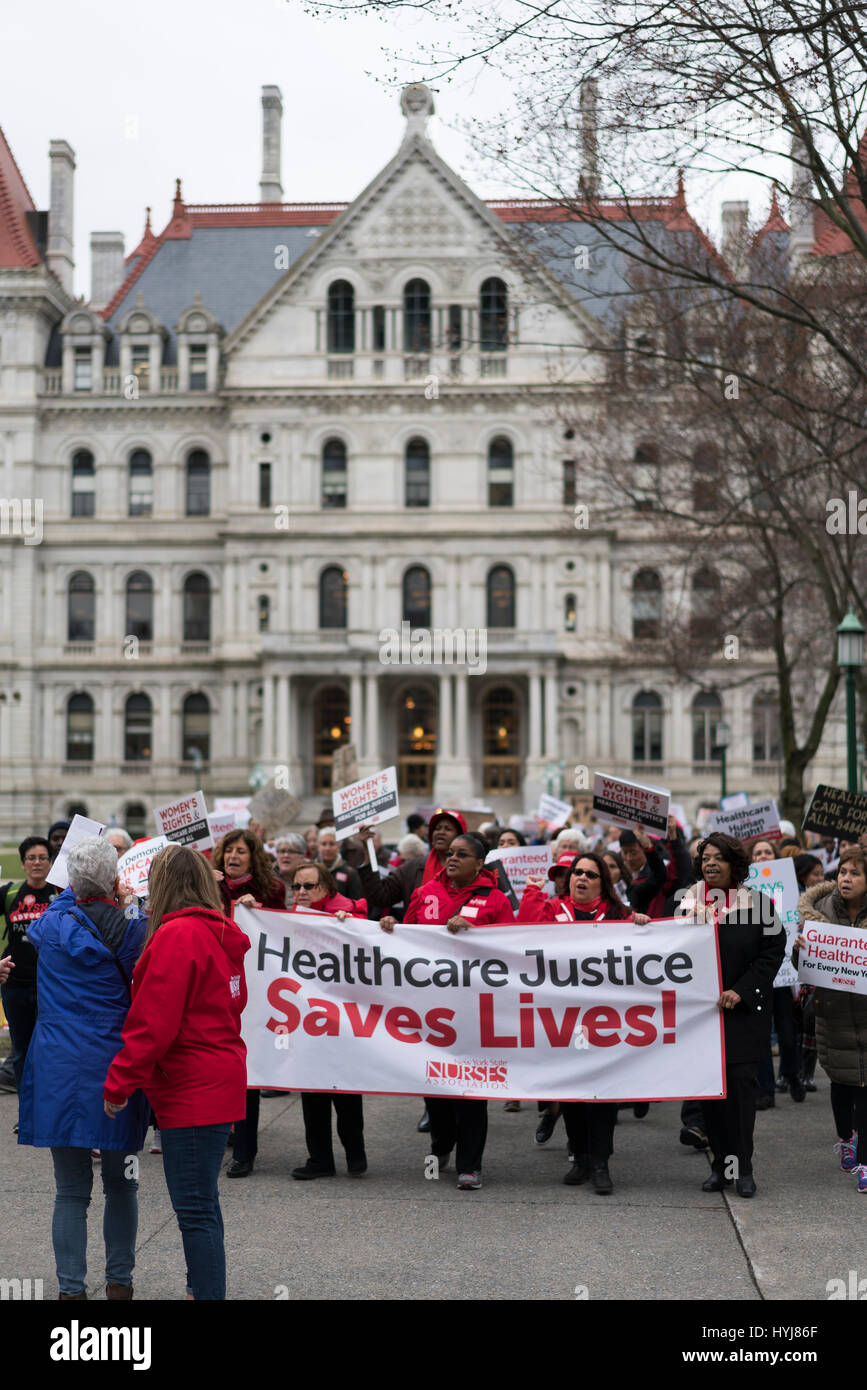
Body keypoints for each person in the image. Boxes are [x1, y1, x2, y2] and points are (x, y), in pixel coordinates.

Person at [104, 844, 249, 1300]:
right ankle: (201, 1287)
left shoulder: (176, 935)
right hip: (215, 1074)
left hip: (191, 1085)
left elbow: (153, 1023)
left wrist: (118, 1083)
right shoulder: (218, 931)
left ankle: (206, 1291)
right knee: (203, 1204)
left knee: (194, 1209)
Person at [17, 836, 149, 1300]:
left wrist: (88, 887)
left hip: (56, 1062)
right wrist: (127, 903)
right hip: (114, 1061)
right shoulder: (133, 927)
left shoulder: (49, 923)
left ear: (70, 882)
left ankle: (71, 1289)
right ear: (115, 880)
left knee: (69, 1190)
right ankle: (120, 1282)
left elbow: (66, 905)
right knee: (122, 1185)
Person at [383, 834, 514, 1189]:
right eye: (449, 853)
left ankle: (470, 1164)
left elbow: (512, 952)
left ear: (479, 863)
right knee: (436, 1087)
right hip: (431, 1012)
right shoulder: (425, 892)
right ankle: (441, 1145)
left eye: (462, 854)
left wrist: (477, 934)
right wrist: (390, 929)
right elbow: (405, 939)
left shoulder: (496, 900)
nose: (451, 858)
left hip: (474, 1012)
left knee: (470, 1089)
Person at [518, 852, 650, 1185]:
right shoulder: (552, 910)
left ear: (602, 883)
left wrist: (643, 927)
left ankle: (601, 1162)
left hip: (606, 1020)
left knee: (602, 1094)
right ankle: (579, 1156)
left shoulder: (619, 915)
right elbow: (525, 939)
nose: (581, 878)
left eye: (590, 875)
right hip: (563, 1018)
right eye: (577, 872)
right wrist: (532, 895)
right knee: (572, 1092)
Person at [677, 832, 785, 1197]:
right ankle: (720, 1167)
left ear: (734, 864)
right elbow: (666, 947)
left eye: (718, 857)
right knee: (711, 1096)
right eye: (705, 857)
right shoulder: (689, 904)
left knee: (739, 1092)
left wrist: (741, 990)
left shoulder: (758, 904)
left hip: (743, 1015)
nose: (710, 863)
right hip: (701, 1016)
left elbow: (772, 953)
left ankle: (744, 1168)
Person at [287, 862, 370, 1178]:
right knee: (313, 1095)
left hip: (344, 1020)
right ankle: (320, 1159)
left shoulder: (347, 912)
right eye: (297, 886)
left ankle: (355, 1154)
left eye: (309, 886)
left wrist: (352, 925)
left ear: (326, 888)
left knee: (346, 1093)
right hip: (308, 1019)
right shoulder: (293, 915)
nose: (302, 892)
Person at [212, 828, 286, 1178]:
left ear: (252, 856)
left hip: (256, 987)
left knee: (249, 1070)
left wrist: (260, 912)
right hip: (214, 984)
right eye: (228, 851)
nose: (233, 857)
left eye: (240, 851)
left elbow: (286, 931)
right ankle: (217, 1135)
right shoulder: (210, 886)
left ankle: (244, 1151)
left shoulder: (271, 890)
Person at [793, 846, 867, 1192]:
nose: (846, 879)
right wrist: (800, 951)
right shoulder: (819, 911)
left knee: (866, 1087)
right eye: (842, 872)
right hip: (834, 1014)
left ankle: (865, 1159)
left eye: (855, 873)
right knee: (841, 1082)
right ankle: (846, 1138)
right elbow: (804, 970)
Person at [0, 836, 60, 1118]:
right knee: (22, 1050)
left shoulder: (61, 894)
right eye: (31, 858)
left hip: (52, 986)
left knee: (49, 1051)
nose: (37, 862)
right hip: (15, 986)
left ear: (51, 863)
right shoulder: (10, 893)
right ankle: (28, 1112)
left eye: (43, 858)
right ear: (23, 863)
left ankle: (48, 1109)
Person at [316, 827, 364, 901]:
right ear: (318, 847)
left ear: (339, 847)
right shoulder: (310, 870)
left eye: (332, 844)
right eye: (324, 844)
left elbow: (355, 902)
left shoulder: (350, 873)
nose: (327, 848)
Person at [273, 833, 308, 906]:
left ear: (302, 856)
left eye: (291, 851)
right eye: (282, 851)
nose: (286, 855)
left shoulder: (314, 877)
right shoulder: (266, 877)